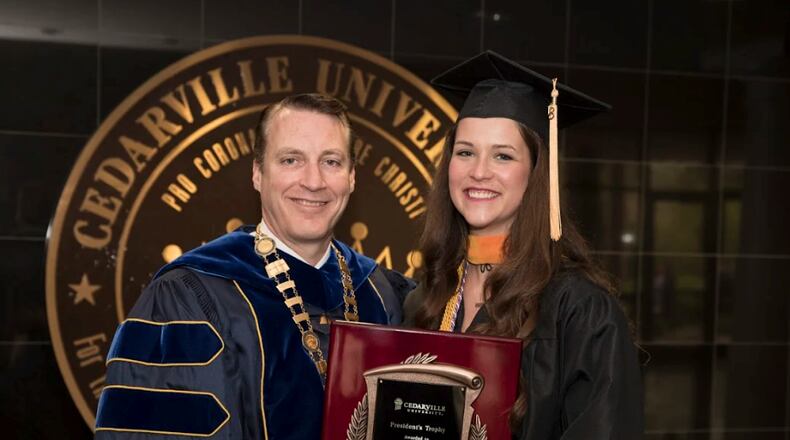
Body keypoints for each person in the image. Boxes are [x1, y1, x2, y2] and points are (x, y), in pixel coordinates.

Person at [95, 93, 411, 439]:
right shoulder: (190, 296)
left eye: (331, 162)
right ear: (258, 174)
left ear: (352, 177)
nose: (314, 181)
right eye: (291, 160)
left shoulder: (381, 292)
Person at [404, 51, 643, 439]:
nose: (478, 171)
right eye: (465, 152)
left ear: (536, 172)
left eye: (503, 155)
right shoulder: (428, 299)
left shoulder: (580, 311)